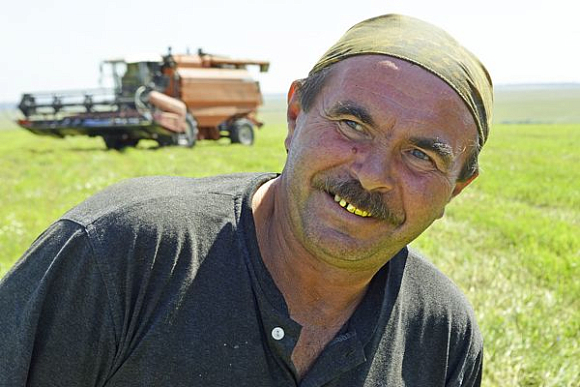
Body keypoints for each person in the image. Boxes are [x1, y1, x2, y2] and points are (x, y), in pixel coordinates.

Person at [0, 14, 493, 386]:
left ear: (457, 188)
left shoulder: (441, 332)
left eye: (421, 156)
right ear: (296, 114)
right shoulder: (123, 253)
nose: (372, 175)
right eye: (352, 126)